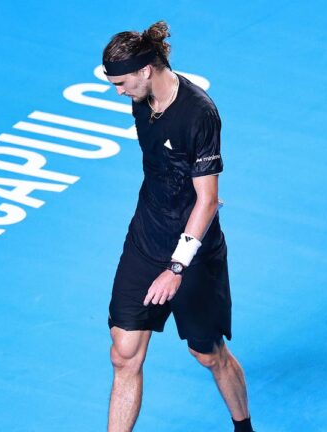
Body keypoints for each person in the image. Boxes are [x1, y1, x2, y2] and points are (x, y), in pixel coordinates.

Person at [102, 21, 254, 432]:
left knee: (208, 354)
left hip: (193, 253)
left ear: (146, 69)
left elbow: (207, 201)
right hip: (146, 238)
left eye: (120, 82)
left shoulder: (200, 114)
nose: (118, 91)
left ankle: (244, 428)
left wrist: (176, 267)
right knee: (124, 353)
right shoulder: (142, 98)